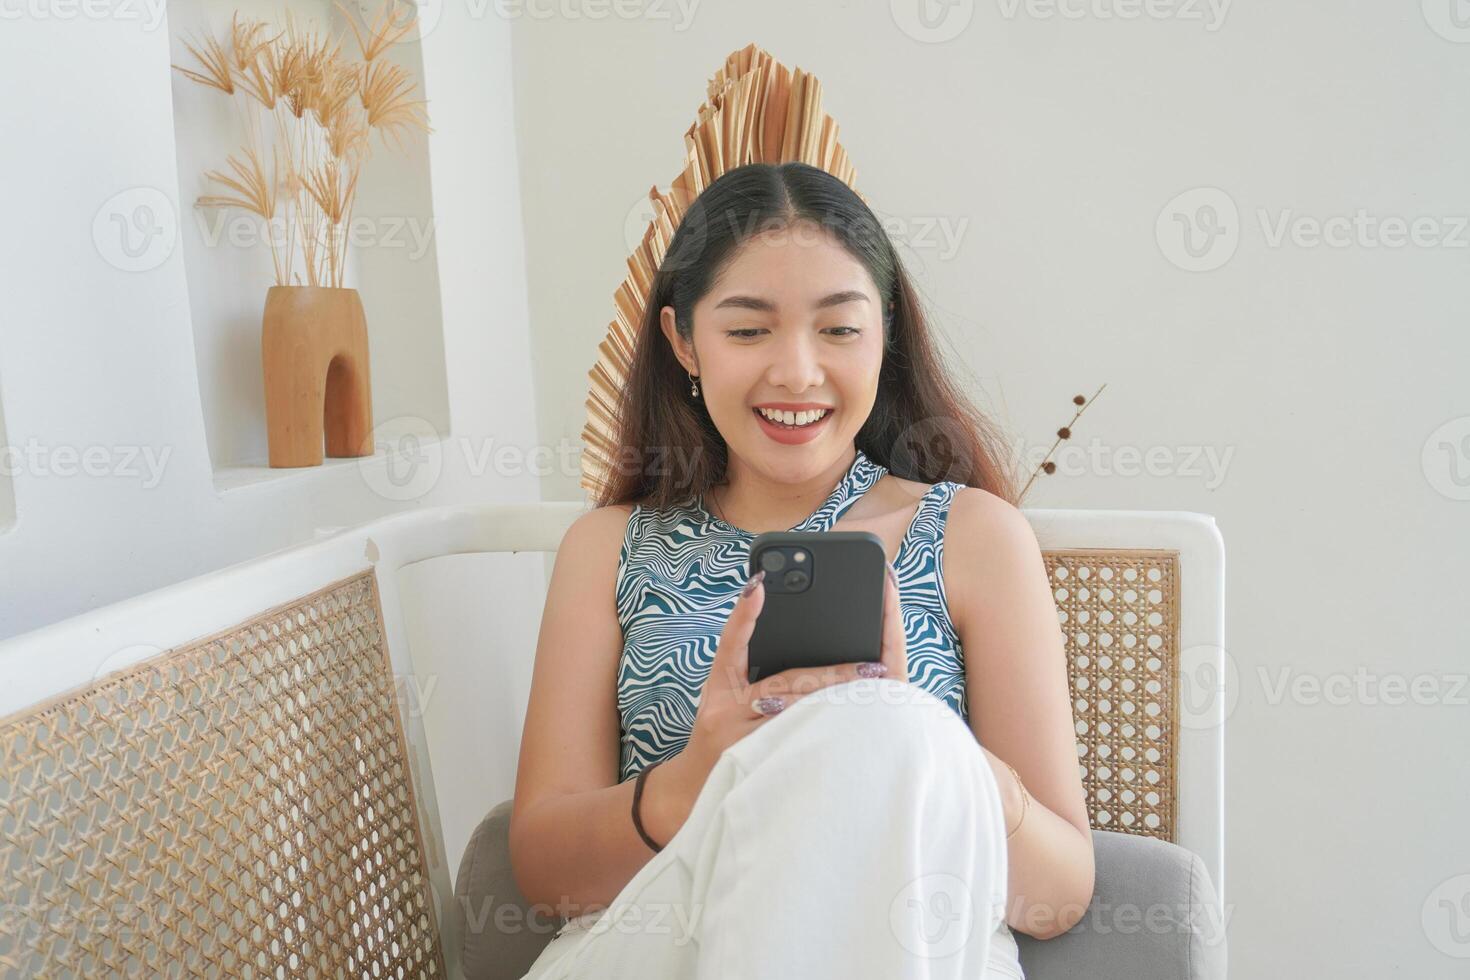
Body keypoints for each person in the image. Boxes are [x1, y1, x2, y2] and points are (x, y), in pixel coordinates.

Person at [507, 161, 1095, 978]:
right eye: (748, 330)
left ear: (884, 334)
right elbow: (542, 878)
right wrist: (695, 780)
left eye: (838, 328)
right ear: (683, 341)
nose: (796, 371)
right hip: (664, 942)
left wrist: (921, 751)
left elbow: (1058, 894)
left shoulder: (973, 535)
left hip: (908, 938)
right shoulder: (607, 548)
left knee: (892, 727)